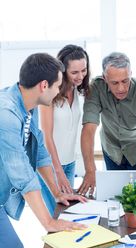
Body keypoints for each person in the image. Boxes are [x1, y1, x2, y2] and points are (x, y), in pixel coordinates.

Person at [0, 53, 87, 248]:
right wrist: (49, 222)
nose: (61, 90)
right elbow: (22, 173)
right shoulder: (6, 115)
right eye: (58, 85)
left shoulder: (28, 103)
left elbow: (38, 151)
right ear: (43, 85)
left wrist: (58, 193)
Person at [78, 52, 136, 196]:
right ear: (105, 78)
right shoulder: (96, 88)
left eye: (125, 81)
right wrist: (90, 170)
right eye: (114, 83)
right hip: (112, 150)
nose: (121, 88)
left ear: (131, 74)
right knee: (115, 196)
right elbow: (89, 129)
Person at [39, 45, 90, 215]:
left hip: (69, 163)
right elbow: (47, 136)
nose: (80, 76)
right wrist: (58, 171)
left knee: (67, 214)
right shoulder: (49, 93)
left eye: (83, 70)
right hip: (51, 167)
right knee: (56, 214)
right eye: (74, 72)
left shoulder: (76, 91)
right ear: (62, 70)